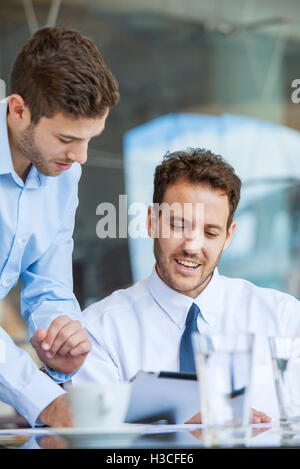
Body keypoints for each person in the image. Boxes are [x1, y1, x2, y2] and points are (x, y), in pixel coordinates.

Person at [73, 148, 300, 422]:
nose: (192, 246)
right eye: (178, 226)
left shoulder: (284, 319)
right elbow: (95, 438)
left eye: (210, 232)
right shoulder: (99, 331)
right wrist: (174, 433)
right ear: (151, 222)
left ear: (228, 236)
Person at [0, 26, 119, 427]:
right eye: (68, 138)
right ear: (19, 111)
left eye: (90, 139)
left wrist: (60, 337)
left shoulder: (62, 171)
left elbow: (48, 283)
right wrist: (43, 399)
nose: (81, 157)